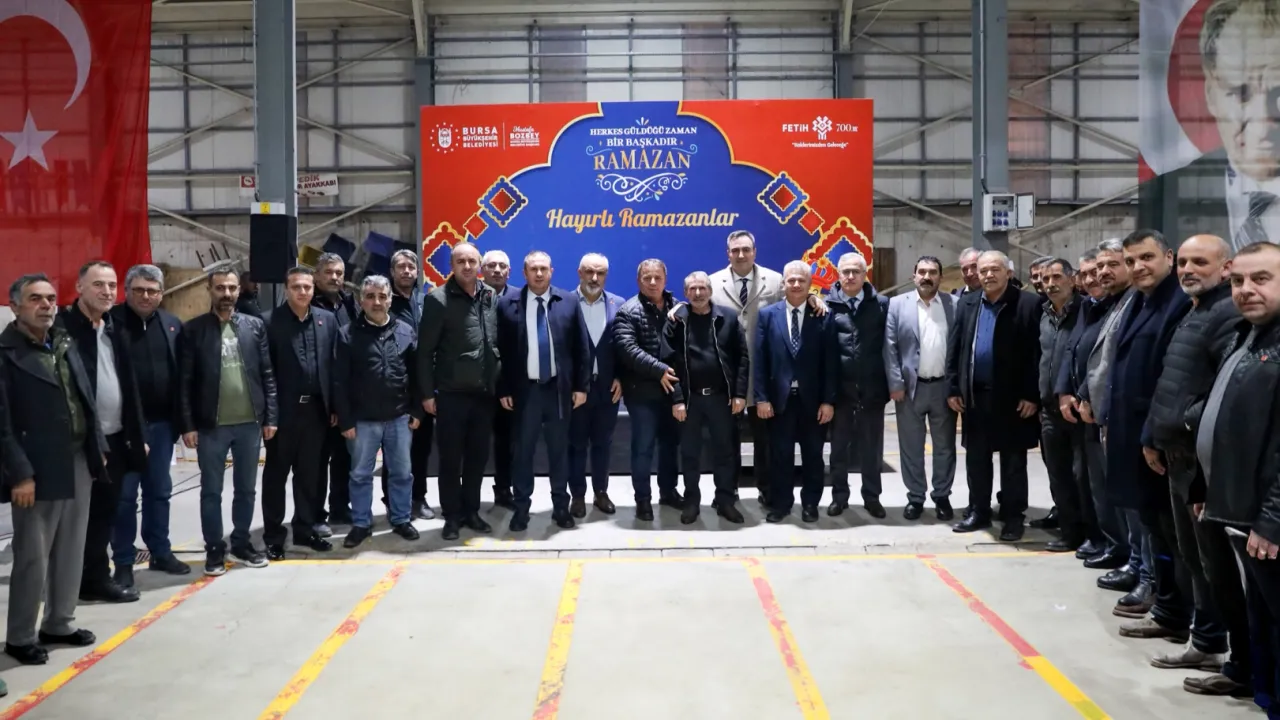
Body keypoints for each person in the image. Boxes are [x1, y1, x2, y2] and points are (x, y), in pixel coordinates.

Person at [1145, 234, 1247, 691]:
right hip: (1178, 456)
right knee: (1196, 559)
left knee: (1217, 566)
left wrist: (1185, 422)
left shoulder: (1226, 314)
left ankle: (1236, 658)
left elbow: (1223, 390)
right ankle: (1206, 641)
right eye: (1184, 262)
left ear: (1225, 268)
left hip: (1198, 462)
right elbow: (1174, 380)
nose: (1188, 269)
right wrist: (1156, 434)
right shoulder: (1196, 310)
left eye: (1200, 262)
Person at [1, 274, 104, 665]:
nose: (45, 305)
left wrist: (97, 447)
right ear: (15, 306)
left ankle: (59, 622)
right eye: (35, 299)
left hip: (76, 458)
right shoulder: (6, 353)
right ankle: (20, 636)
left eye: (49, 298)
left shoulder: (63, 342)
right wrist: (20, 474)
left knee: (71, 548)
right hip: (36, 469)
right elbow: (3, 424)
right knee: (33, 556)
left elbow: (85, 398)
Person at [1196, 241, 1280, 712]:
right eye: (1238, 281)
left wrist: (1272, 520)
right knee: (1261, 620)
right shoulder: (1247, 336)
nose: (1246, 289)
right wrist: (1203, 486)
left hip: (1267, 521)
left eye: (1261, 279)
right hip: (1240, 509)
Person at [57, 262, 148, 604]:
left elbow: (130, 387)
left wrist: (138, 435)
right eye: (98, 284)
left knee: (104, 514)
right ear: (79, 287)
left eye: (111, 285)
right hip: (79, 441)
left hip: (116, 437)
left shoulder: (114, 328)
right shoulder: (62, 330)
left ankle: (94, 579)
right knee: (74, 518)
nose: (107, 291)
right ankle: (64, 586)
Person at [179, 268, 277, 576]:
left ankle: (241, 542)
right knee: (211, 491)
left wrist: (271, 416)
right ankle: (214, 547)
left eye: (232, 288)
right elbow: (185, 382)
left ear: (239, 290)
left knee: (246, 489)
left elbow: (267, 374)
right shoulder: (194, 330)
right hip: (212, 426)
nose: (227, 293)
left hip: (250, 424)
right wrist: (188, 424)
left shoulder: (254, 326)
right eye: (220, 287)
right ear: (209, 290)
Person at [947, 250, 1042, 542]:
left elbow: (1037, 354)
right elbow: (956, 347)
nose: (988, 275)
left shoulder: (1028, 304)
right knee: (977, 458)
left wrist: (1031, 394)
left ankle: (1013, 516)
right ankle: (979, 511)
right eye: (983, 270)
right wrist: (953, 387)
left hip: (1014, 399)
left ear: (1008, 273)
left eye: (994, 269)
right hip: (975, 396)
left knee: (1013, 462)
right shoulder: (968, 303)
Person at [496, 251, 590, 532]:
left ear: (552, 271)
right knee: (522, 454)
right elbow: (500, 352)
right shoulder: (507, 304)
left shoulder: (569, 301)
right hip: (525, 393)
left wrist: (581, 387)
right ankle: (521, 509)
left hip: (559, 392)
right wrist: (504, 388)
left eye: (543, 269)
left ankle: (560, 507)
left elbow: (581, 348)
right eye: (533, 269)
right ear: (524, 273)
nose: (539, 274)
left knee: (559, 453)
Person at [110, 265, 190, 585]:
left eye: (152, 290)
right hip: (125, 429)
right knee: (125, 497)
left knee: (159, 491)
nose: (146, 296)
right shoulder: (110, 324)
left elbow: (182, 377)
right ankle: (123, 560)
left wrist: (183, 422)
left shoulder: (172, 325)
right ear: (127, 291)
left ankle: (160, 551)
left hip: (162, 426)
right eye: (139, 290)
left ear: (161, 293)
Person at [419, 243, 500, 541]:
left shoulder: (489, 296)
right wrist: (427, 394)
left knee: (477, 459)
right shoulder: (438, 299)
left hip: (483, 395)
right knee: (451, 461)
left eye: (471, 261)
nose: (467, 266)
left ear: (479, 264)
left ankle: (471, 512)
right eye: (460, 261)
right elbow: (424, 352)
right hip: (451, 394)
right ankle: (452, 517)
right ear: (451, 266)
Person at [336, 275, 423, 548]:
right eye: (371, 296)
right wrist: (346, 419)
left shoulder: (405, 331)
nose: (377, 302)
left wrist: (416, 410)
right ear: (361, 300)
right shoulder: (347, 334)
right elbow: (340, 381)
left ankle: (401, 519)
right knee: (360, 475)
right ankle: (361, 523)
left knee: (402, 473)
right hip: (362, 420)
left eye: (382, 296)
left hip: (399, 417)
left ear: (390, 300)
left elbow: (417, 375)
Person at [664, 271, 749, 524]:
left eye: (702, 288)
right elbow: (667, 362)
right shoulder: (677, 321)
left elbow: (742, 358)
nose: (698, 293)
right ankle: (692, 502)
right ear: (685, 293)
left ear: (710, 291)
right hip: (690, 400)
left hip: (722, 399)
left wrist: (739, 393)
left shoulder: (728, 318)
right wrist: (677, 399)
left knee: (724, 452)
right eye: (692, 289)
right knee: (690, 454)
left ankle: (725, 501)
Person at [262, 267, 336, 559]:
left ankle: (305, 530)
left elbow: (333, 367)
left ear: (314, 289)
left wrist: (334, 407)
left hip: (316, 412)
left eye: (307, 287)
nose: (303, 292)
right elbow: (265, 372)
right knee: (276, 476)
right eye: (296, 287)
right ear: (286, 289)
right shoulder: (269, 322)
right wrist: (269, 416)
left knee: (309, 476)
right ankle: (273, 536)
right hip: (283, 414)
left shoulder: (326, 320)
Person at [707, 230, 783, 506]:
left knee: (766, 440)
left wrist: (813, 299)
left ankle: (767, 490)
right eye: (735, 250)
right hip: (727, 377)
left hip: (764, 374)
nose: (741, 255)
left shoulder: (775, 281)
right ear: (728, 253)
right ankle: (728, 491)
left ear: (755, 251)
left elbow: (789, 312)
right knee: (727, 440)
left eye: (746, 249)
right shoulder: (712, 283)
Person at [755, 261, 835, 524]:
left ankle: (810, 504)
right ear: (783, 284)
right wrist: (762, 398)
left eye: (802, 280)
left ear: (810, 283)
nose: (796, 285)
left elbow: (830, 363)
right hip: (779, 402)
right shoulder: (768, 315)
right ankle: (781, 504)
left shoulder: (823, 315)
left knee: (813, 456)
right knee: (780, 456)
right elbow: (760, 360)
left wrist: (828, 401)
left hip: (813, 402)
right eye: (791, 280)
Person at [884, 255, 957, 521]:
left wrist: (956, 388)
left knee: (945, 447)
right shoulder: (897, 305)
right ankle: (915, 497)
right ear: (913, 275)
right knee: (911, 447)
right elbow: (889, 347)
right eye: (922, 272)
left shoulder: (953, 304)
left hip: (943, 389)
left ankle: (942, 496)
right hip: (909, 389)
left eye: (933, 272)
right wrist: (895, 384)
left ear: (940, 277)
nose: (927, 277)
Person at [823, 252, 890, 519]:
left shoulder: (881, 305)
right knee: (838, 450)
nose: (850, 276)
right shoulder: (826, 306)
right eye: (846, 272)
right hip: (840, 393)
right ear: (838, 274)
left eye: (856, 272)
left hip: (872, 391)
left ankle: (872, 498)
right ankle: (839, 497)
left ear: (865, 274)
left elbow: (890, 347)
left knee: (871, 450)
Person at [615, 259, 683, 520]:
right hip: (642, 393)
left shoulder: (679, 307)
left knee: (670, 446)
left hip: (672, 392)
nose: (653, 282)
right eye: (647, 278)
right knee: (643, 448)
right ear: (638, 281)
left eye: (657, 277)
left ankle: (669, 492)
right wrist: (659, 370)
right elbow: (627, 348)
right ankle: (642, 499)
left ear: (665, 279)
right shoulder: (628, 311)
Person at [1036, 258, 1087, 552]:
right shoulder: (1043, 315)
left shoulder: (1085, 311)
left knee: (1082, 476)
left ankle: (1092, 534)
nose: (1051, 284)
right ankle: (1069, 533)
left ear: (1072, 279)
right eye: (1046, 279)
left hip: (1076, 410)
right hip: (1049, 411)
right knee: (1058, 475)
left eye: (1057, 277)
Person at [568, 253, 624, 517]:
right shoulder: (565, 303)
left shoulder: (618, 304)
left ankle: (601, 492)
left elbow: (624, 346)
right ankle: (577, 496)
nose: (594, 278)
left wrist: (621, 377)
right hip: (576, 391)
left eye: (600, 273)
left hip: (607, 390)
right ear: (579, 273)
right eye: (589, 272)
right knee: (576, 445)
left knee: (603, 444)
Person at [386, 249, 435, 521]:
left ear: (418, 272)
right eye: (401, 267)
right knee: (393, 452)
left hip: (423, 386)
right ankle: (392, 500)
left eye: (411, 267)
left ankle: (418, 498)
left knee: (421, 449)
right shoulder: (383, 301)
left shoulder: (426, 301)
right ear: (392, 272)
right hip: (394, 388)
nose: (406, 271)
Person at [312, 252, 357, 528]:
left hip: (347, 397)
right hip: (320, 399)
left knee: (344, 458)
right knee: (317, 461)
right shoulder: (308, 304)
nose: (334, 277)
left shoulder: (349, 304)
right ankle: (316, 514)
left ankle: (340, 507)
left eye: (339, 273)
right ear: (317, 276)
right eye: (328, 272)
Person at [483, 249, 516, 509]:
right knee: (474, 445)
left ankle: (504, 490)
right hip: (476, 385)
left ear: (509, 271)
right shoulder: (471, 296)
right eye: (491, 265)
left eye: (502, 266)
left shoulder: (521, 298)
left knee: (507, 444)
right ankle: (468, 498)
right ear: (482, 270)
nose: (497, 270)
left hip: (510, 388)